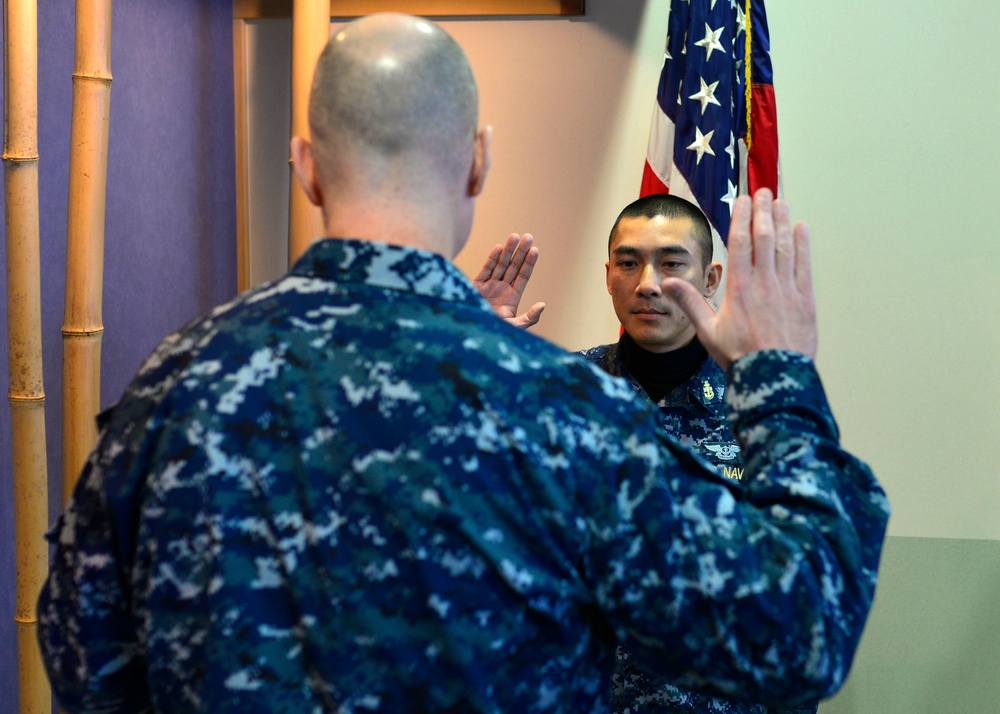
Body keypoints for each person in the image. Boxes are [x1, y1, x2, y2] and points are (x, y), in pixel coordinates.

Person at [37, 12, 889, 714]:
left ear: (304, 169)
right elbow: (799, 636)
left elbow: (82, 657)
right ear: (479, 159)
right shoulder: (561, 409)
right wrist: (776, 383)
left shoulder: (172, 388)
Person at [586, 194, 817, 714]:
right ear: (607, 274)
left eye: (671, 263)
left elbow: (798, 591)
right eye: (628, 263)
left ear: (711, 279)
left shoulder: (762, 406)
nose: (647, 283)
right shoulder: (563, 394)